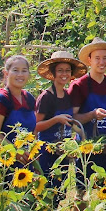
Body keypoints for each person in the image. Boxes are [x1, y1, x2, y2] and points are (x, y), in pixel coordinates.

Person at [35, 51, 87, 189]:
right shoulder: (46, 97)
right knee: (46, 190)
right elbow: (35, 126)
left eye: (67, 71)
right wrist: (56, 119)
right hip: (47, 151)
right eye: (60, 70)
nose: (64, 74)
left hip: (63, 152)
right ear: (53, 73)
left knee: (59, 192)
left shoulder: (68, 96)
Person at [67, 37, 106, 174]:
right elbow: (71, 118)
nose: (101, 62)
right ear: (89, 60)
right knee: (83, 188)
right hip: (87, 146)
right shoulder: (79, 85)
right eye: (97, 58)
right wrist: (92, 115)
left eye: (105, 58)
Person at [0, 55, 37, 167]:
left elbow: (34, 130)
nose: (20, 75)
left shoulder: (29, 99)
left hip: (25, 163)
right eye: (15, 70)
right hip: (1, 163)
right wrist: (15, 152)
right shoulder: (0, 100)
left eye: (24, 71)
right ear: (6, 73)